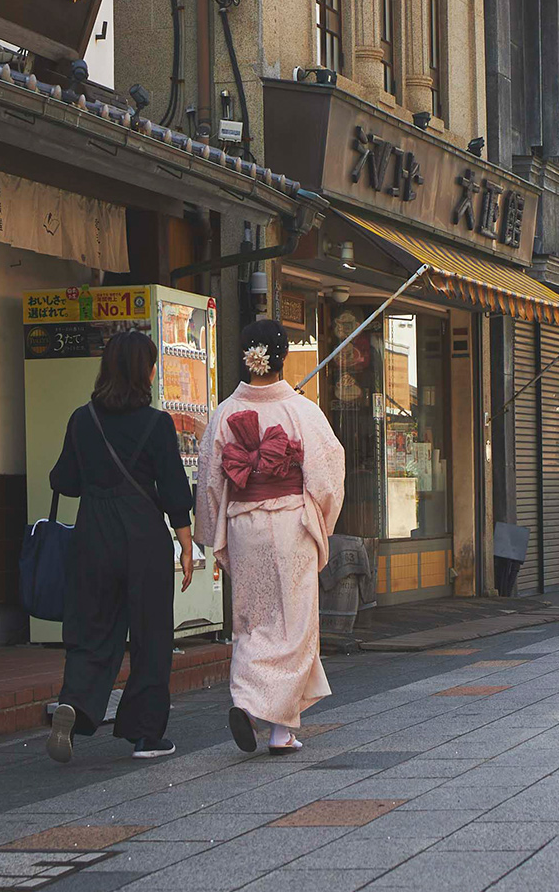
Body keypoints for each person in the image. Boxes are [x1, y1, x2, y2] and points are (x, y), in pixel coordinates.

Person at [45, 329, 197, 764]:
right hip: (143, 537)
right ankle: (146, 735)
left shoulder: (81, 419)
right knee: (150, 635)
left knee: (91, 628)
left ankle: (76, 703)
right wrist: (185, 545)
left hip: (93, 533)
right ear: (143, 372)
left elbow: (64, 481)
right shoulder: (157, 423)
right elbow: (172, 489)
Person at [196, 318, 346, 755]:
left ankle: (257, 711)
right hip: (290, 525)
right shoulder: (302, 411)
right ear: (281, 358)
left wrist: (214, 534)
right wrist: (322, 522)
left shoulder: (224, 412)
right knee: (294, 625)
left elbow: (209, 480)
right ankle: (273, 722)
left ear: (246, 357)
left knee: (252, 619)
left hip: (245, 523)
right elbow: (327, 475)